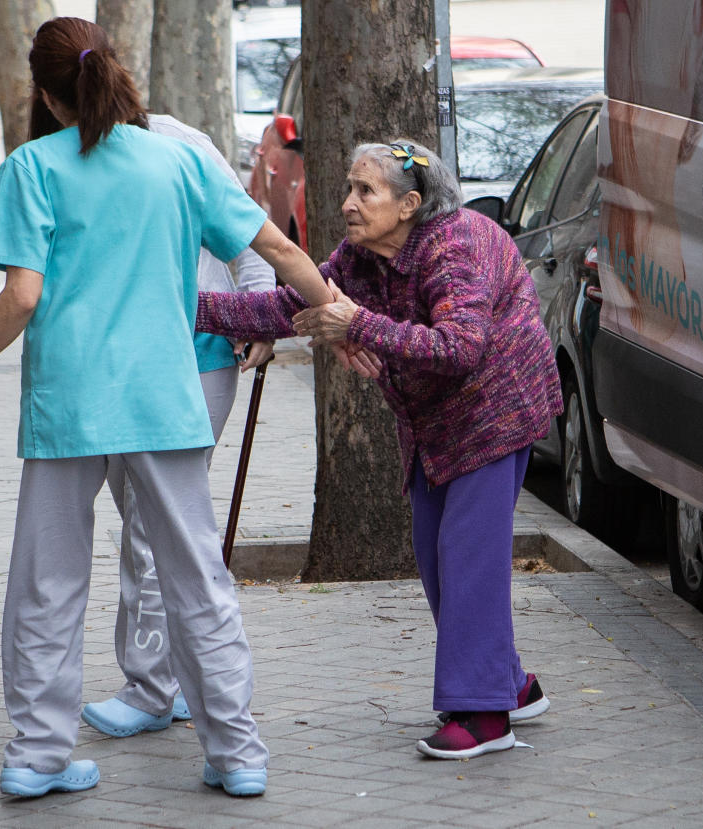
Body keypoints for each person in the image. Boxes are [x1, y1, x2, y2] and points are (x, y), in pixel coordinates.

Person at [0, 17, 367, 800]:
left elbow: (22, 295)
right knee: (196, 575)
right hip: (165, 397)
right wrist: (341, 315)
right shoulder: (177, 160)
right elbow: (277, 252)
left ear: (43, 92)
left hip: (67, 407)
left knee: (47, 581)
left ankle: (36, 754)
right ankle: (236, 752)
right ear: (113, 71)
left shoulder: (31, 168)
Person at [195, 139, 561, 760]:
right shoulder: (358, 258)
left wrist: (356, 325)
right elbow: (286, 305)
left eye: (366, 192)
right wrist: (190, 307)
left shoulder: (457, 244)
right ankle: (506, 683)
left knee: (467, 559)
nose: (348, 204)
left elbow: (460, 347)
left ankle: (485, 716)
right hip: (429, 420)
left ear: (410, 204)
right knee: (435, 554)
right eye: (349, 188)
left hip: (495, 410)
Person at [82, 113, 276, 740]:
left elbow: (247, 234)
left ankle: (151, 688)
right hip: (114, 362)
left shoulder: (181, 143)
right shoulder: (65, 155)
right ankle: (186, 678)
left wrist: (259, 316)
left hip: (198, 353)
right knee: (146, 519)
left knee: (150, 523)